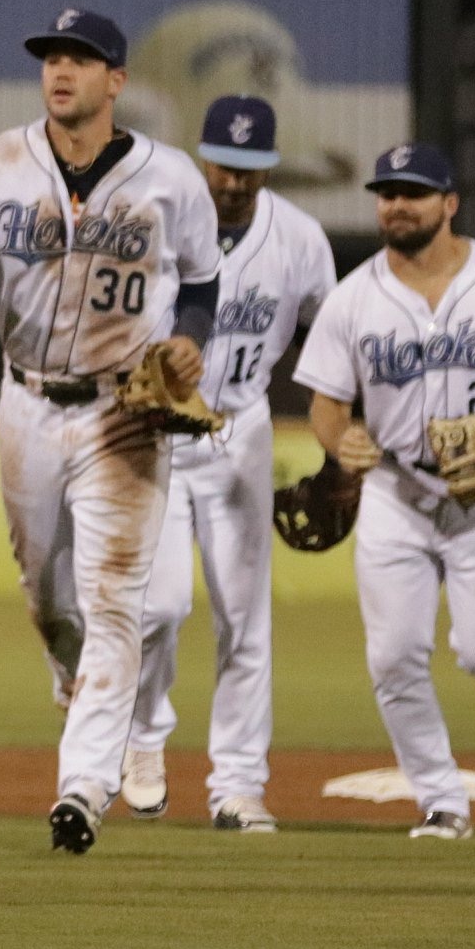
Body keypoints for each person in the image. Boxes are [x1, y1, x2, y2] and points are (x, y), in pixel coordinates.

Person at [0, 7, 221, 855]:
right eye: (50, 58)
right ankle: (71, 679)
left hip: (126, 410)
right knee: (46, 595)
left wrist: (187, 339)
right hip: (27, 403)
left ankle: (82, 788)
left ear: (116, 80)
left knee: (116, 602)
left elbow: (204, 286)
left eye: (81, 58)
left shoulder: (170, 177)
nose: (60, 70)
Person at [292, 144, 475, 840]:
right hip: (395, 491)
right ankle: (441, 801)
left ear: (448, 204)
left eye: (413, 192)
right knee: (392, 659)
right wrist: (339, 441)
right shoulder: (353, 297)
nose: (396, 204)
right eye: (386, 192)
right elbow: (325, 402)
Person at [122, 96, 335, 832]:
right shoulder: (154, 228)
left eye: (249, 167)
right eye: (222, 163)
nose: (234, 180)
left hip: (239, 432)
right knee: (159, 607)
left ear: (267, 166)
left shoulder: (301, 240)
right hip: (155, 434)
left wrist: (342, 437)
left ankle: (238, 787)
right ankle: (143, 742)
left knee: (244, 621)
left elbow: (332, 340)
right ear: (196, 156)